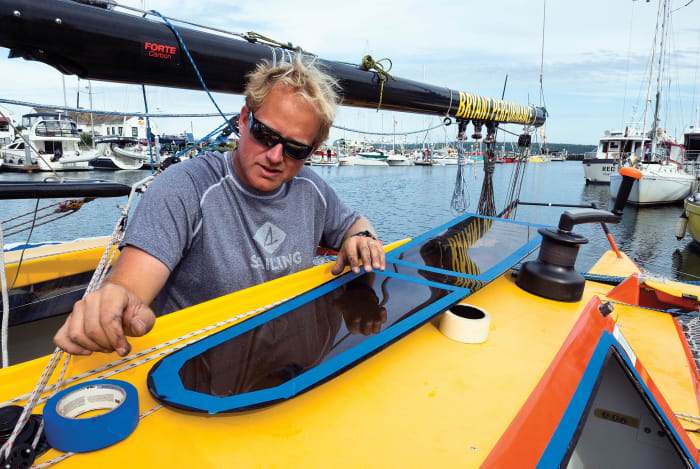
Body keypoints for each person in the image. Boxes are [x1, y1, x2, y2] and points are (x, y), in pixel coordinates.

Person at [54, 56, 386, 357]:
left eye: (295, 149)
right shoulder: (185, 188)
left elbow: (354, 223)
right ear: (243, 120)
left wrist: (364, 238)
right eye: (265, 135)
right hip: (199, 367)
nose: (274, 157)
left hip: (287, 362)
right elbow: (130, 283)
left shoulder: (311, 189)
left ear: (311, 151)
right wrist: (115, 301)